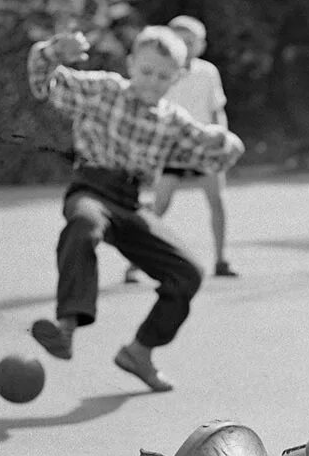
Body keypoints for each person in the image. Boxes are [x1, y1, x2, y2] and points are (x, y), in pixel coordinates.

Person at [26, 25, 244, 392]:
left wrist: (229, 143)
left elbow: (213, 147)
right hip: (92, 190)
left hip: (131, 204)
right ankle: (65, 327)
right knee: (83, 224)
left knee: (188, 272)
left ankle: (139, 352)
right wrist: (51, 53)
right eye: (145, 72)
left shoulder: (171, 120)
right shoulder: (105, 90)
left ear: (176, 78)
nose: (152, 82)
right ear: (131, 64)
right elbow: (43, 84)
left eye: (163, 76)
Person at [126, 15, 237, 282]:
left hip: (204, 147)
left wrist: (221, 140)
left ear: (201, 44)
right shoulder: (163, 71)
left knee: (217, 202)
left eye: (191, 41)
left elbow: (216, 110)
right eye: (180, 39)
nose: (185, 45)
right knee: (160, 205)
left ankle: (221, 260)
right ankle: (135, 263)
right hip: (172, 148)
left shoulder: (208, 72)